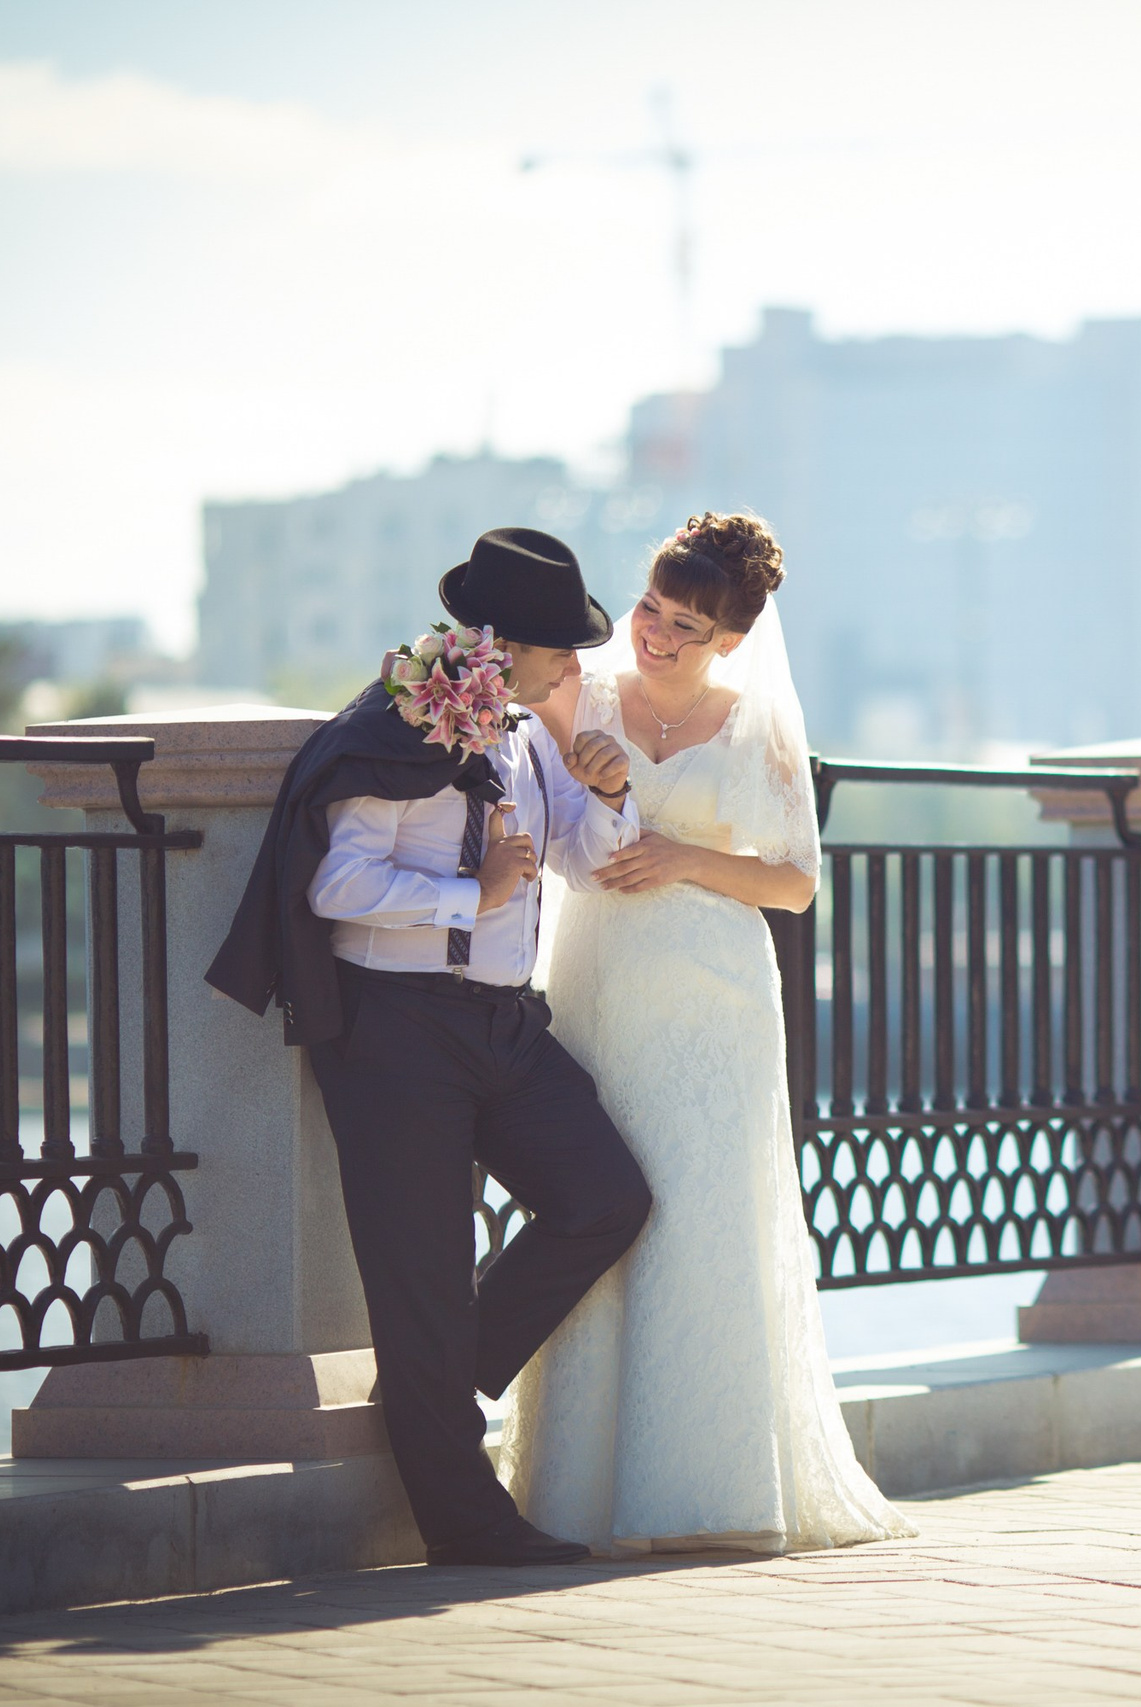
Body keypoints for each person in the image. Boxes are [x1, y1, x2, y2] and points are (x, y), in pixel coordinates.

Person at [206, 526, 654, 1567]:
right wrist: (471, 895)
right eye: (562, 648)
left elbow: (582, 868)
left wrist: (611, 798)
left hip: (505, 1023)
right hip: (396, 1029)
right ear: (503, 646)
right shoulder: (399, 726)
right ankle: (469, 1526)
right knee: (423, 1279)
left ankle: (436, 1376)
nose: (578, 668)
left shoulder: (530, 736)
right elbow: (334, 886)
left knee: (605, 1199)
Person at [502, 511, 913, 1554]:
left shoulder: (758, 725)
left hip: (715, 997)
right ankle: (575, 1492)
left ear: (729, 639)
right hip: (597, 980)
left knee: (699, 1218)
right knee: (598, 1209)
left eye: (687, 625)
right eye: (651, 609)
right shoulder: (578, 691)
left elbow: (795, 883)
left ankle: (707, 1490)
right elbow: (532, 798)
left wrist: (685, 859)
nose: (659, 636)